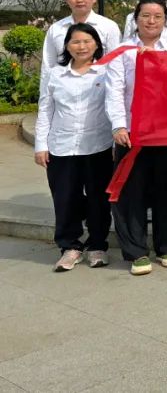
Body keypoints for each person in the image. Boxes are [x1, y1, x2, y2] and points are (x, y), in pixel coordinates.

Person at [107, 0, 167, 275]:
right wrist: (119, 126)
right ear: (136, 18)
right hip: (132, 134)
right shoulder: (122, 51)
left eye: (157, 16)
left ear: (166, 20)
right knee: (131, 193)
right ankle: (136, 251)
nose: (151, 21)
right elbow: (114, 91)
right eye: (145, 16)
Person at [35, 23, 113, 272]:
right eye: (76, 42)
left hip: (98, 145)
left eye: (87, 41)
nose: (82, 47)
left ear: (96, 44)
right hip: (62, 146)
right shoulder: (55, 74)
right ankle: (69, 246)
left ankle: (97, 245)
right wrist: (40, 145)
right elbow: (45, 109)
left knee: (99, 199)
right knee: (65, 197)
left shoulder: (106, 72)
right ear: (67, 46)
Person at [41, 0, 122, 80]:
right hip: (62, 87)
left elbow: (116, 64)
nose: (79, 0)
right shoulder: (56, 29)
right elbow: (48, 66)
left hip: (98, 86)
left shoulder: (109, 27)